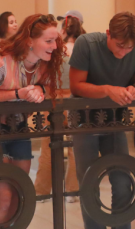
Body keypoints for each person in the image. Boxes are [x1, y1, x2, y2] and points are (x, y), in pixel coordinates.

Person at [0, 14, 64, 223]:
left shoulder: (45, 63)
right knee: (2, 198)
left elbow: (50, 87)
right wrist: (17, 94)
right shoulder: (1, 59)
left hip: (18, 125)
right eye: (49, 41)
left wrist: (40, 88)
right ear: (30, 41)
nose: (54, 46)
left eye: (56, 40)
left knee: (18, 194)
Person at [69, 11, 135, 229]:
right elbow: (76, 85)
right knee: (89, 181)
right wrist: (107, 90)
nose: (124, 52)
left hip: (116, 121)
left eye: (129, 48)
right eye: (120, 45)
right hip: (84, 120)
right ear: (108, 34)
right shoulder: (86, 44)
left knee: (123, 180)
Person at [34, 11, 85, 203]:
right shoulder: (81, 50)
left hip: (53, 100)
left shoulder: (54, 50)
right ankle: (73, 192)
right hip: (74, 100)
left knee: (48, 147)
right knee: (74, 148)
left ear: (63, 30)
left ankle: (41, 192)